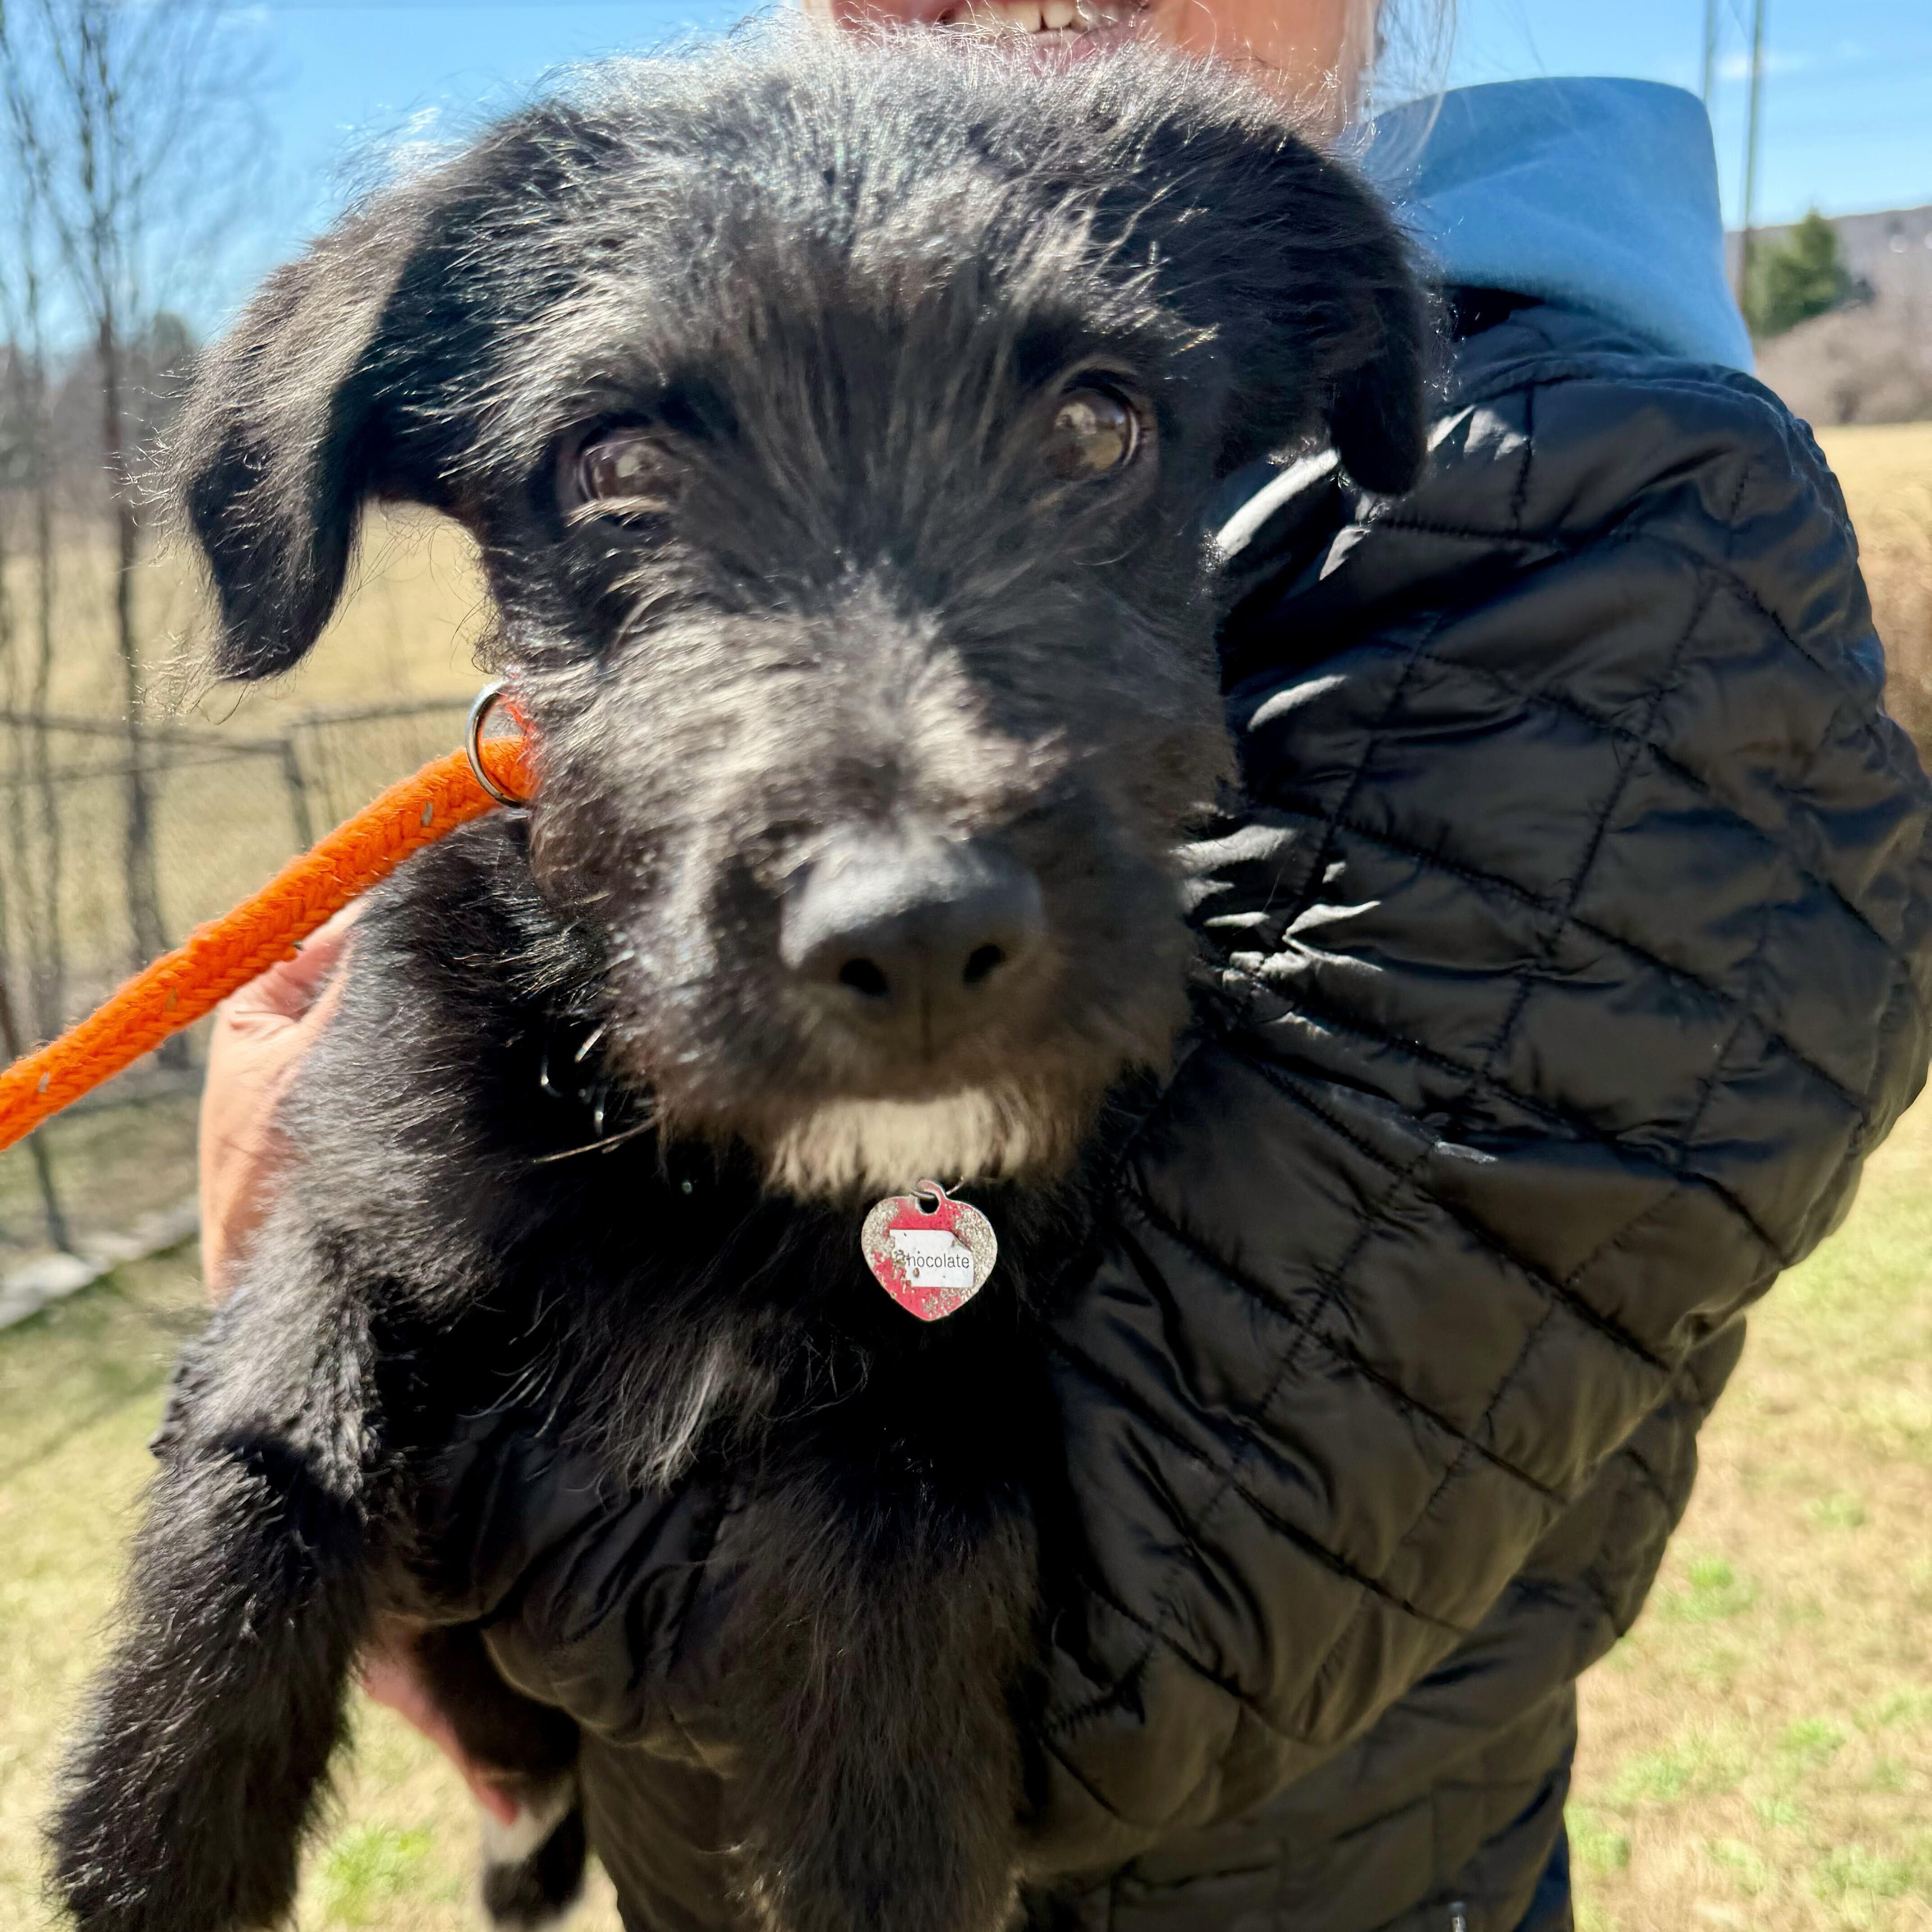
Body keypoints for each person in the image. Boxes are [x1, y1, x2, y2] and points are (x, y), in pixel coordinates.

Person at [197, 2, 1932, 1927]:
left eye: (1093, 429)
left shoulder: (1618, 543)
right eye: (628, 471)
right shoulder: (711, 297)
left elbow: (1109, 1678)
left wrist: (357, 1347)